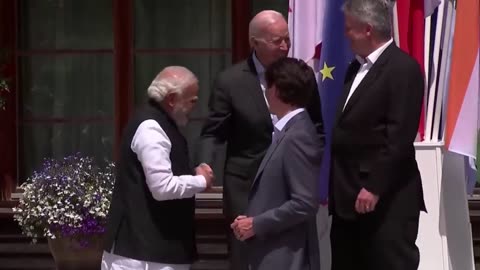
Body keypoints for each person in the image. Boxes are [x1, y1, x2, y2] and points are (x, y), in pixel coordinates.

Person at [198, 10, 324, 270]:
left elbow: (316, 127)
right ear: (254, 42)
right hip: (246, 186)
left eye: (287, 39)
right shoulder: (230, 81)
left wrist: (309, 167)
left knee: (286, 253)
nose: (285, 46)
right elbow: (214, 131)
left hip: (290, 186)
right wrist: (205, 163)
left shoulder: (301, 75)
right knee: (247, 255)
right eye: (277, 41)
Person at [329, 1, 426, 270]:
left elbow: (399, 136)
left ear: (367, 29)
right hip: (347, 197)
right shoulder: (354, 69)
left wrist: (374, 186)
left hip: (385, 200)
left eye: (350, 28)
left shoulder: (402, 68)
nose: (346, 34)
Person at [102, 66, 214, 270]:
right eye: (192, 100)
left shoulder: (162, 124)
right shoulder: (151, 128)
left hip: (155, 252)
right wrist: (200, 180)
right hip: (144, 256)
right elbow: (162, 187)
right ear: (172, 99)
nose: (194, 107)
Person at [231, 57, 324, 270]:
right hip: (271, 254)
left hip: (287, 257)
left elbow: (304, 203)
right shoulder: (288, 132)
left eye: (268, 86)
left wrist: (256, 224)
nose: (265, 92)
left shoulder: (298, 136)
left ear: (276, 91)